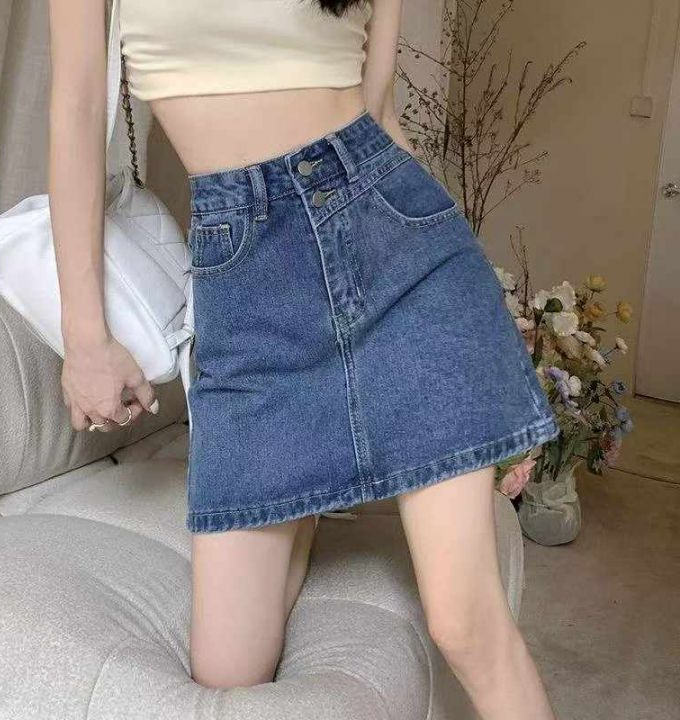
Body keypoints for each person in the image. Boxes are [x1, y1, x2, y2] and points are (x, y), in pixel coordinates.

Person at [47, 0, 559, 717]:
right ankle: (311, 495)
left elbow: (379, 114)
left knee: (465, 625)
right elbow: (75, 105)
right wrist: (85, 337)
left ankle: (315, 493)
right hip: (245, 289)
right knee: (225, 675)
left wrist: (483, 362)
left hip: (397, 247)